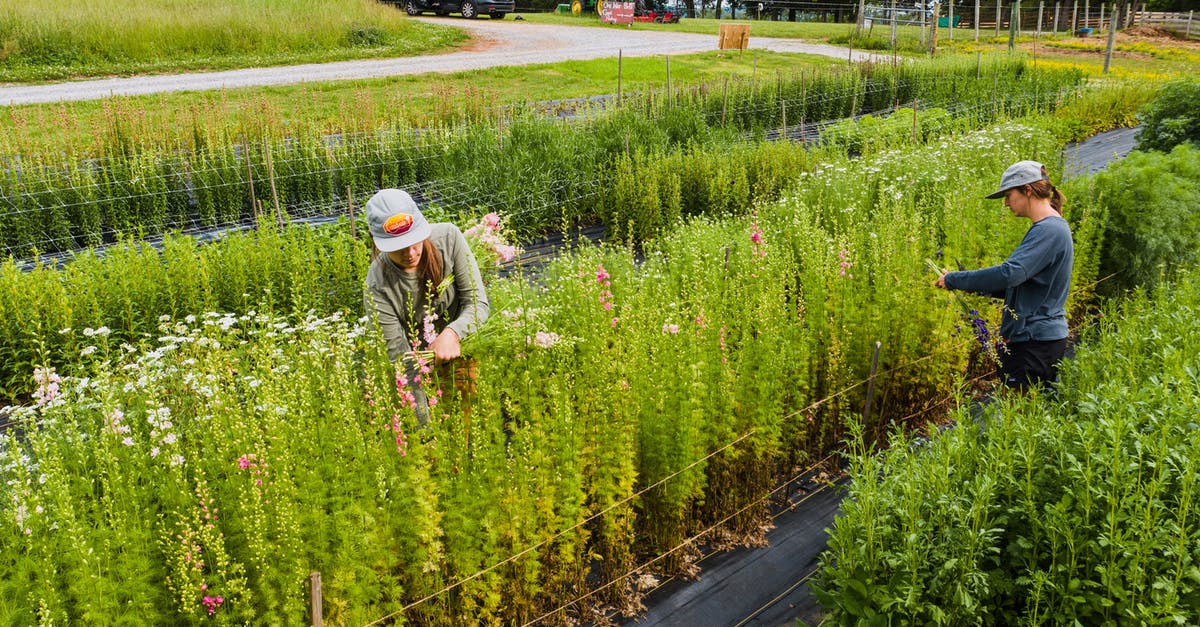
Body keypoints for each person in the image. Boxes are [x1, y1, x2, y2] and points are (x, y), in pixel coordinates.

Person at [935, 160, 1073, 391]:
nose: (1006, 203)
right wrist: (962, 283)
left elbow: (1010, 274)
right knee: (1026, 415)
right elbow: (1018, 285)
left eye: (1008, 195)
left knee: (1020, 416)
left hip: (1034, 342)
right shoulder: (1049, 228)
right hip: (1036, 341)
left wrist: (955, 279)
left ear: (1027, 190)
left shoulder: (1049, 230)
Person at [364, 188, 490, 425]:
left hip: (461, 347)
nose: (411, 253)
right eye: (398, 248)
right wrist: (425, 424)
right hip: (419, 367)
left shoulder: (448, 239)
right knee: (429, 440)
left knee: (462, 423)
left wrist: (452, 333)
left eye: (414, 242)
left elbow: (478, 304)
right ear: (376, 241)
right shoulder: (378, 286)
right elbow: (400, 360)